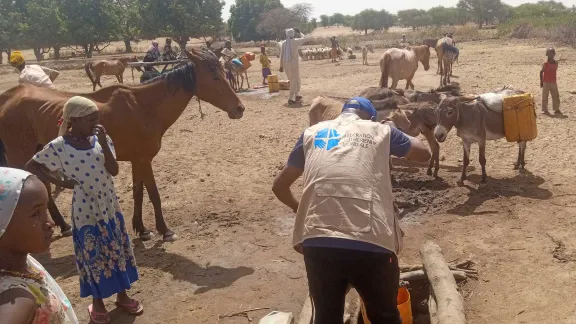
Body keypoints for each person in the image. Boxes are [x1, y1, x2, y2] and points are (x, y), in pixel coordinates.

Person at [272, 97, 431, 324]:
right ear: (370, 117)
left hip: (318, 243)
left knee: (326, 317)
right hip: (372, 241)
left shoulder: (312, 133)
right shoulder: (380, 131)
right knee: (384, 315)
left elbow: (279, 186)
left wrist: (303, 211)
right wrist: (391, 129)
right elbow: (424, 153)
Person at [26, 96, 142, 324]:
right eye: (91, 119)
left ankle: (122, 295)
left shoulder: (100, 139)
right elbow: (33, 165)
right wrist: (63, 181)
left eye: (96, 118)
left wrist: (103, 142)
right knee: (93, 253)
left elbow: (114, 170)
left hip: (109, 205)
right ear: (74, 120)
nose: (96, 123)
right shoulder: (60, 146)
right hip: (85, 209)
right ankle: (98, 303)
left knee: (116, 246)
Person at [0, 167, 79, 324]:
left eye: (46, 210)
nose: (50, 223)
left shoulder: (20, 263)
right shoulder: (17, 299)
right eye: (36, 214)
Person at [279, 28, 306, 105]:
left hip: (286, 65)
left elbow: (282, 55)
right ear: (293, 34)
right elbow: (305, 38)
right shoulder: (295, 41)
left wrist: (281, 66)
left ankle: (297, 95)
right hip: (294, 65)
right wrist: (300, 32)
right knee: (294, 81)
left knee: (294, 80)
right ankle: (290, 99)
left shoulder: (284, 43)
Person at [540, 47, 561, 115]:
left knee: (555, 95)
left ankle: (556, 108)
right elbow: (541, 72)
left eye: (551, 53)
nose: (550, 55)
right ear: (546, 54)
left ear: (554, 54)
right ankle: (545, 109)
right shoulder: (545, 64)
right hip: (546, 82)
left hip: (553, 82)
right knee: (545, 96)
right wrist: (541, 81)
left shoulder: (556, 63)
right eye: (549, 53)